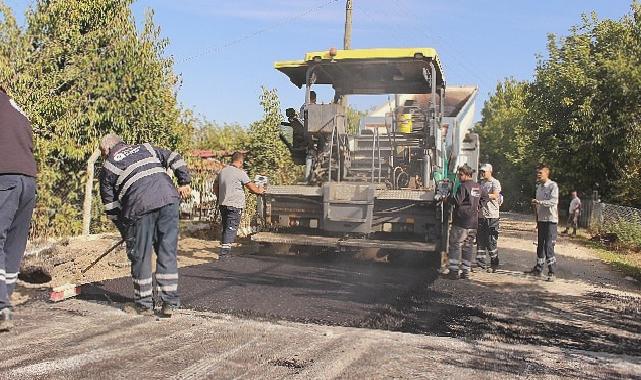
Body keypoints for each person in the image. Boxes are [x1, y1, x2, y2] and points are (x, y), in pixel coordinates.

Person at [99, 134, 191, 317]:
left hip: (138, 207)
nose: (104, 157)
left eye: (103, 153)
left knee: (140, 255)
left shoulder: (108, 167)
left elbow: (111, 208)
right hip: (168, 200)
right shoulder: (146, 148)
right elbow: (174, 157)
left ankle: (143, 304)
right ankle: (170, 303)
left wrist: (127, 233)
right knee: (167, 251)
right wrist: (184, 182)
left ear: (108, 149)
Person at [0, 87, 37, 332]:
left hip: (5, 178)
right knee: (14, 243)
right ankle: (5, 305)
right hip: (28, 180)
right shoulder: (15, 107)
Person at [213, 152, 265, 257]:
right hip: (234, 205)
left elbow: (215, 186)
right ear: (240, 161)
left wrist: (220, 197)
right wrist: (260, 190)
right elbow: (251, 187)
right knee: (231, 228)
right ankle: (224, 254)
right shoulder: (240, 173)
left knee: (226, 226)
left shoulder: (222, 171)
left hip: (223, 204)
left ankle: (224, 248)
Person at [447, 164, 485, 280]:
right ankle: (466, 272)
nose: (459, 176)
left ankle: (453, 271)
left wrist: (446, 199)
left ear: (467, 174)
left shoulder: (463, 186)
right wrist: (477, 207)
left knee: (455, 245)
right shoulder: (478, 186)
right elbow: (485, 198)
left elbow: (457, 201)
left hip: (461, 222)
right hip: (473, 223)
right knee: (468, 247)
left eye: (461, 174)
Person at [526, 164, 558, 281]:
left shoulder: (552, 186)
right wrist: (537, 220)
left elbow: (553, 202)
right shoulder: (539, 187)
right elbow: (537, 206)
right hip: (541, 220)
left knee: (548, 246)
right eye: (537, 173)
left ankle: (552, 272)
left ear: (546, 173)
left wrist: (539, 202)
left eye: (540, 173)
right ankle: (538, 268)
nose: (538, 175)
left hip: (550, 220)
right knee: (540, 245)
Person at [477, 164, 502, 272]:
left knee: (491, 240)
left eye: (484, 171)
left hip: (492, 216)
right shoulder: (480, 183)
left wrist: (483, 195)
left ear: (490, 172)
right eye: (481, 171)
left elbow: (496, 195)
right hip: (481, 216)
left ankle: (494, 263)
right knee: (480, 240)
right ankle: (481, 264)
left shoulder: (495, 182)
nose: (482, 173)